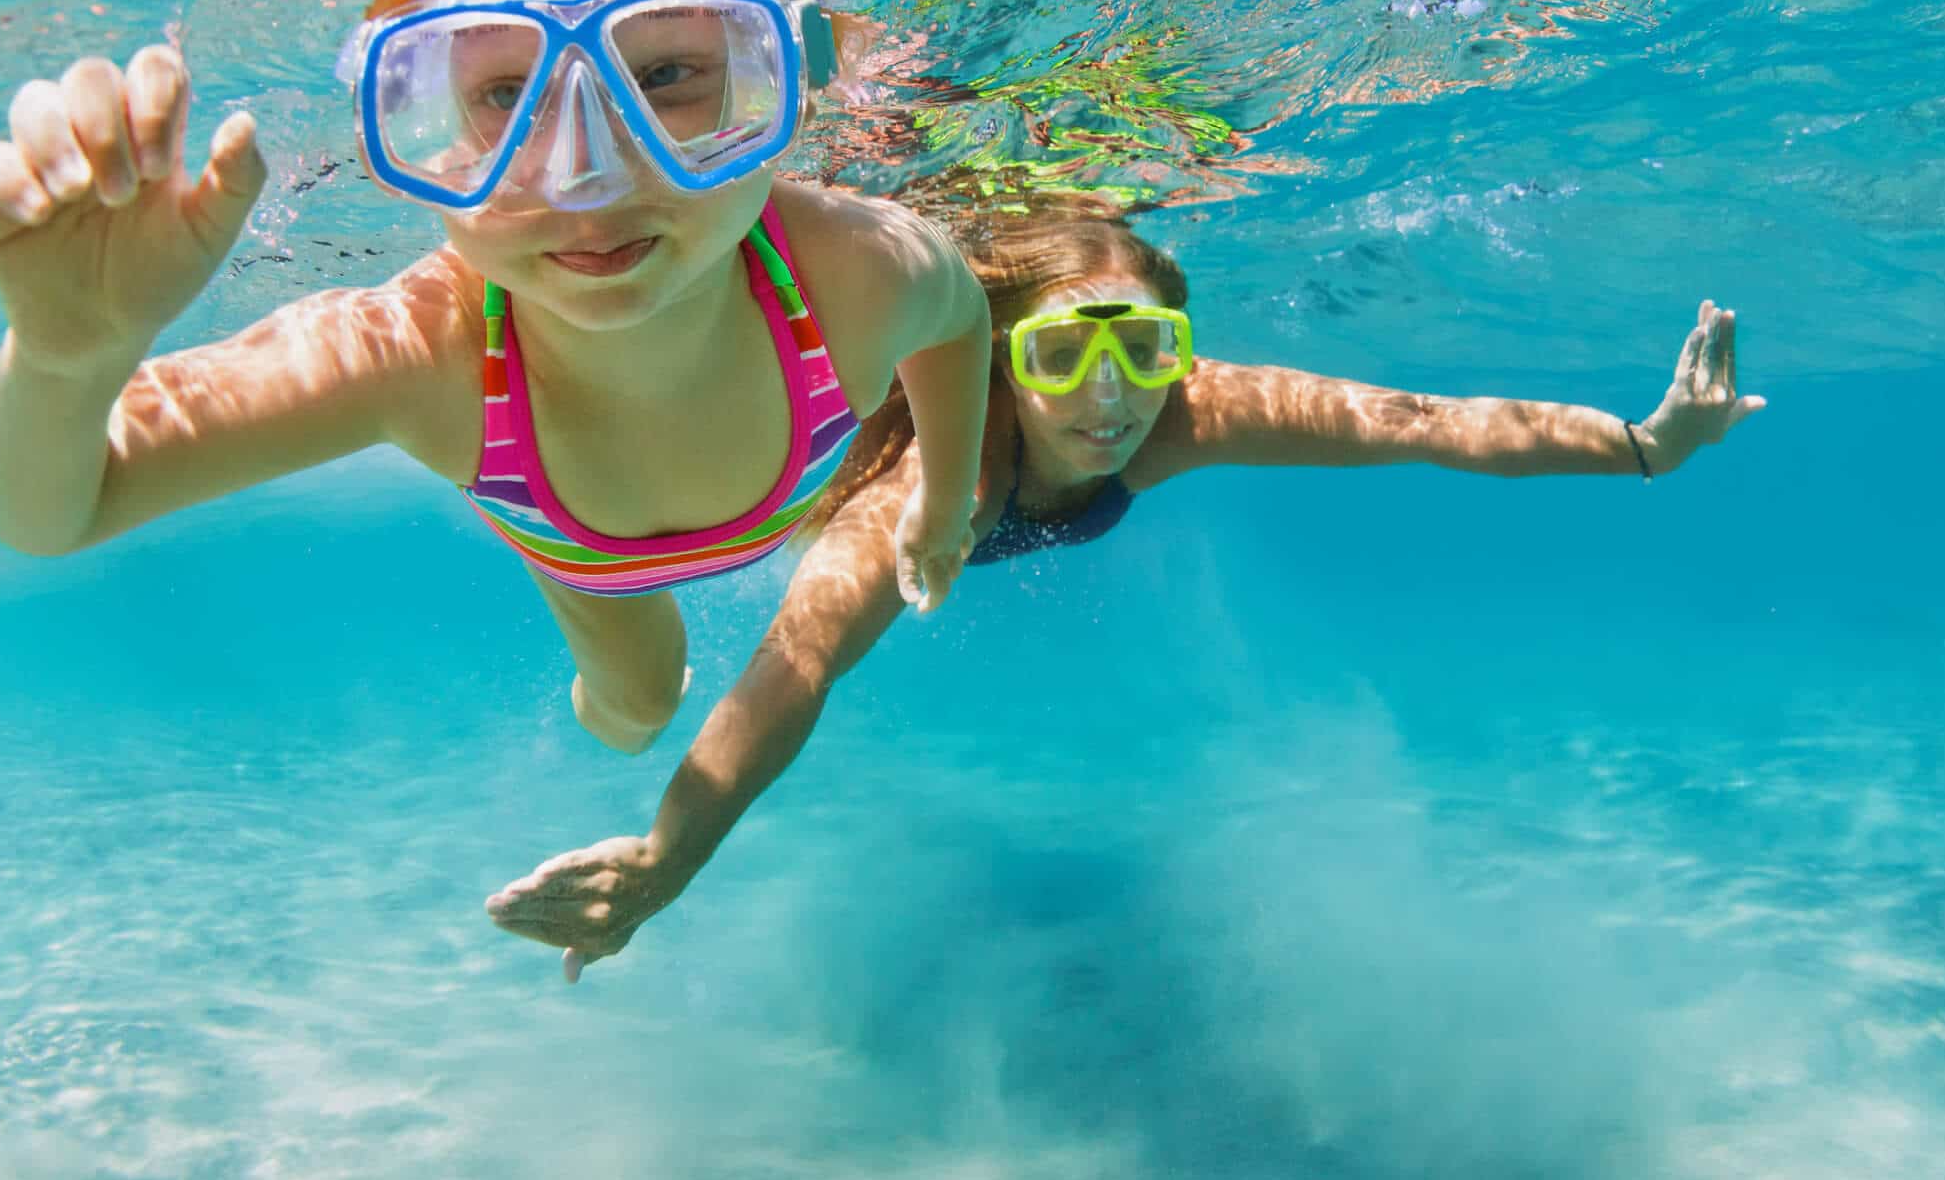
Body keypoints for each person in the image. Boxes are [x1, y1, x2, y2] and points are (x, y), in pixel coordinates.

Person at [485, 201, 1765, 980]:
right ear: (995, 357)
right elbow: (798, 661)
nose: (1110, 399)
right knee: (642, 677)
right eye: (1060, 355)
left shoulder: (1186, 416)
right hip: (742, 482)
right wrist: (665, 861)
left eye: (1145, 349)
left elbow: (1423, 420)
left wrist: (1643, 445)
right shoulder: (942, 479)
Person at [0, 0, 991, 754]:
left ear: (780, 84)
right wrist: (66, 359)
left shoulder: (850, 270)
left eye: (668, 75)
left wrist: (939, 510)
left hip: (617, 509)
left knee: (637, 709)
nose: (585, 176)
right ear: (425, 123)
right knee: (636, 711)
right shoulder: (418, 353)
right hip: (587, 560)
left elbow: (958, 325)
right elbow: (56, 512)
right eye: (506, 94)